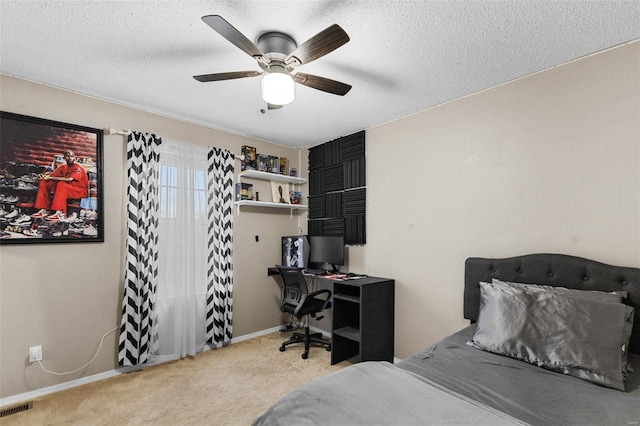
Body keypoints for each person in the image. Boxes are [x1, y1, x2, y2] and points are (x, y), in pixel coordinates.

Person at [31, 151, 88, 221]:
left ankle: (60, 213)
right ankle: (45, 209)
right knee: (44, 182)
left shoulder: (77, 167)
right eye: (68, 156)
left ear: (75, 157)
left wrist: (50, 178)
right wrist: (42, 177)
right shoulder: (63, 167)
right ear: (64, 158)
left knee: (61, 184)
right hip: (67, 188)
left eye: (72, 156)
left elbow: (69, 179)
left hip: (79, 190)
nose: (70, 158)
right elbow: (51, 176)